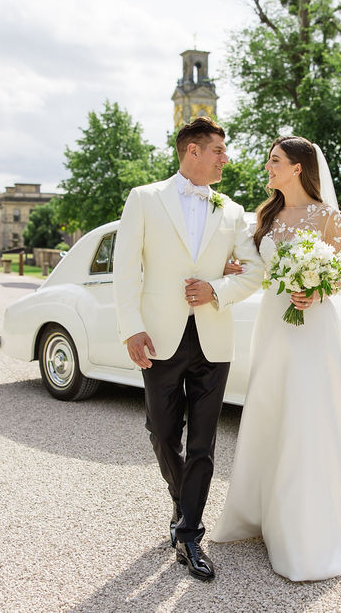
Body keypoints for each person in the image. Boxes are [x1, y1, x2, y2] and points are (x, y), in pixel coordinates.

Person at [211, 136, 341, 581]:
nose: (267, 168)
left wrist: (314, 288)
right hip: (275, 324)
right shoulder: (266, 214)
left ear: (298, 167)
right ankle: (263, 509)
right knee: (273, 409)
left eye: (274, 161)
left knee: (311, 414)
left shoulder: (326, 216)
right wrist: (234, 270)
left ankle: (310, 522)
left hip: (313, 325)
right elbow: (258, 271)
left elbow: (339, 276)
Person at [112, 117, 264, 582]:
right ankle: (183, 502)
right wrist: (131, 328)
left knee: (203, 441)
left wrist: (216, 288)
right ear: (192, 152)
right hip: (159, 335)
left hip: (214, 339)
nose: (225, 158)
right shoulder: (144, 198)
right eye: (218, 150)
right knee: (161, 433)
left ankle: (190, 533)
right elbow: (126, 268)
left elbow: (254, 270)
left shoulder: (232, 210)